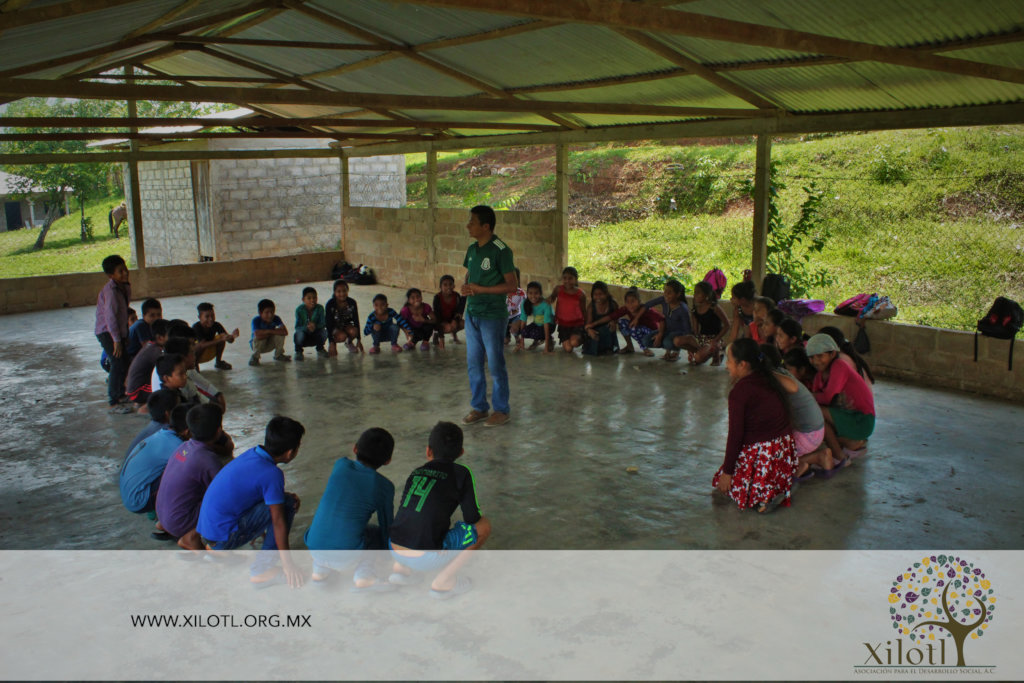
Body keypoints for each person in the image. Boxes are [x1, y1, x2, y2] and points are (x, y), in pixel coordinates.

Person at [197, 417, 306, 589]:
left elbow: (250, 492)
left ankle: (215, 550)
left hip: (210, 532)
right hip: (224, 536)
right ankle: (262, 570)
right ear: (290, 452)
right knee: (287, 504)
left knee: (282, 499)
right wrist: (288, 564)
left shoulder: (253, 454)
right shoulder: (272, 473)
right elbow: (278, 522)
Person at [388, 421, 491, 599]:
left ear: (428, 451)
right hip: (426, 558)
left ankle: (400, 569)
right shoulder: (461, 473)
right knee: (484, 527)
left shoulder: (416, 472)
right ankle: (444, 582)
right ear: (461, 452)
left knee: (413, 517)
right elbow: (472, 518)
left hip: (393, 547)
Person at [304, 428, 396, 591]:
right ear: (388, 461)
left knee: (330, 526)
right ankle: (364, 576)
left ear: (355, 448)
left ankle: (320, 572)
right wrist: (389, 556)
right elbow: (387, 527)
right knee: (374, 534)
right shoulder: (384, 487)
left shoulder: (340, 465)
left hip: (313, 546)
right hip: (346, 556)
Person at [711, 338, 798, 512]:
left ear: (742, 364)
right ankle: (777, 486)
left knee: (726, 487)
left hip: (766, 451)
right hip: (784, 450)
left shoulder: (740, 392)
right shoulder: (767, 377)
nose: (726, 365)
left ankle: (764, 499)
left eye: (729, 360)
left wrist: (728, 472)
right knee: (728, 479)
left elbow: (735, 436)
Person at [461, 205, 517, 427]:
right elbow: (469, 274)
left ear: (486, 226)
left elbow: (512, 286)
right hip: (472, 313)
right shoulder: (472, 250)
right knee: (473, 363)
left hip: (492, 316)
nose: (468, 225)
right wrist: (466, 286)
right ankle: (479, 407)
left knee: (495, 364)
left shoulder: (501, 250)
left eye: (472, 222)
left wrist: (481, 289)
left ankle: (501, 410)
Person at [155, 403, 231, 551]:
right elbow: (225, 495)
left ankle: (171, 525)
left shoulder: (183, 447)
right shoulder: (207, 459)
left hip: (163, 515)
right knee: (227, 503)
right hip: (179, 521)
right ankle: (192, 537)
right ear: (219, 430)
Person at [119, 404, 190, 539]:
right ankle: (170, 522)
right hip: (138, 499)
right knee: (188, 476)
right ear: (187, 431)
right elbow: (193, 465)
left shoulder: (163, 433)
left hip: (129, 493)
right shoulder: (178, 446)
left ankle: (161, 514)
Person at [806, 333, 876, 467]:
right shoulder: (819, 376)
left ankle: (839, 456)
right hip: (849, 417)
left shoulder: (840, 366)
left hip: (862, 420)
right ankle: (849, 446)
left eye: (820, 356)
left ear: (832, 354)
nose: (815, 361)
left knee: (817, 413)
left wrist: (808, 395)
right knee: (816, 417)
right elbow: (818, 398)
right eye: (811, 357)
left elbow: (826, 398)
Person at [761, 345, 829, 481]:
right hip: (817, 431)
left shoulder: (775, 379)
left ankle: (806, 462)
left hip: (807, 435)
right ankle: (813, 457)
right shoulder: (783, 373)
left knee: (768, 460)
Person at [95, 254, 133, 413]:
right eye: (120, 271)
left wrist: (124, 335)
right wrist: (117, 340)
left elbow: (123, 313)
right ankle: (113, 402)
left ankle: (120, 394)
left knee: (124, 361)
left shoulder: (124, 286)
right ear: (111, 275)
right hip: (107, 332)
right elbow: (110, 317)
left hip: (118, 331)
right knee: (117, 363)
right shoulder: (110, 291)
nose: (125, 273)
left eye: (125, 269)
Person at [587, 287, 664, 357]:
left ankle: (645, 349)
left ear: (639, 302)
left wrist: (660, 334)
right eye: (627, 302)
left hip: (652, 334)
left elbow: (662, 319)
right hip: (638, 330)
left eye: (633, 301)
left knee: (634, 328)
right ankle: (629, 346)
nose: (630, 305)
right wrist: (593, 324)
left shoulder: (647, 310)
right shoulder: (626, 309)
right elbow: (610, 316)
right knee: (622, 322)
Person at [642, 279, 701, 362]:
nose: (666, 294)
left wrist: (688, 348)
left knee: (667, 342)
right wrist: (659, 333)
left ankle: (676, 351)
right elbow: (647, 305)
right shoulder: (663, 300)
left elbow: (687, 330)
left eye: (669, 292)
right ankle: (668, 351)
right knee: (646, 340)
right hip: (667, 331)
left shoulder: (682, 308)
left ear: (678, 294)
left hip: (679, 333)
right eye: (665, 291)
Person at [125, 318, 169, 410]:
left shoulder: (150, 345)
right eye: (170, 335)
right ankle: (144, 408)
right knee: (170, 385)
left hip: (134, 388)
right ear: (160, 338)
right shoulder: (156, 351)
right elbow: (167, 368)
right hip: (138, 391)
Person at [548, 266, 587, 353]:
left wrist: (587, 326)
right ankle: (569, 338)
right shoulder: (558, 289)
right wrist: (537, 300)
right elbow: (551, 299)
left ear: (576, 279)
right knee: (568, 349)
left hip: (577, 324)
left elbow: (584, 311)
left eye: (570, 278)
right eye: (565, 278)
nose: (567, 281)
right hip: (563, 325)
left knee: (574, 342)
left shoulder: (581, 294)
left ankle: (583, 338)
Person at [691, 280, 730, 365]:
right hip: (702, 338)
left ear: (707, 295)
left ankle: (717, 352)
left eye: (698, 293)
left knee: (698, 358)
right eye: (695, 292)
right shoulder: (695, 310)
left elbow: (727, 325)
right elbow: (695, 330)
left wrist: (716, 340)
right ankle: (702, 352)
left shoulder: (714, 308)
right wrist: (691, 347)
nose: (695, 295)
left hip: (714, 338)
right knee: (678, 340)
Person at [192, 303, 239, 370]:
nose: (211, 319)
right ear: (199, 317)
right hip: (193, 356)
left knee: (220, 337)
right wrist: (221, 339)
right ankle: (194, 366)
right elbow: (202, 345)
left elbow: (228, 340)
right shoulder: (196, 327)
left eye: (213, 315)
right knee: (199, 345)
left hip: (208, 353)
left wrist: (232, 336)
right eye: (207, 316)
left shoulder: (216, 325)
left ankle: (218, 362)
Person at [512, 280, 554, 353]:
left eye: (536, 293)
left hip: (549, 325)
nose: (533, 296)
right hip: (537, 323)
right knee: (523, 331)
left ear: (540, 293)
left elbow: (546, 324)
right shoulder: (525, 303)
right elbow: (523, 320)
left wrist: (546, 348)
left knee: (535, 333)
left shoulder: (546, 304)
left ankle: (549, 339)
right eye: (530, 293)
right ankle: (537, 340)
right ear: (527, 293)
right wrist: (522, 342)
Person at [325, 279, 362, 355]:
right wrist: (331, 342)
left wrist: (359, 340)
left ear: (347, 291)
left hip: (346, 324)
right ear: (334, 292)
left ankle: (348, 342)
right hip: (334, 327)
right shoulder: (330, 304)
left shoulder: (352, 303)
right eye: (339, 291)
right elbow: (328, 324)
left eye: (344, 291)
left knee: (354, 331)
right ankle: (334, 344)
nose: (342, 294)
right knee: (342, 336)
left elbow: (356, 320)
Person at [250, 299, 290, 366]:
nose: (270, 315)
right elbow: (257, 335)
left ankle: (278, 355)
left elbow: (285, 332)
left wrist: (268, 332)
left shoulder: (276, 318)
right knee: (258, 338)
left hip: (269, 343)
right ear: (260, 313)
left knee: (280, 335)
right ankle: (255, 357)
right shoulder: (256, 320)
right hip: (257, 346)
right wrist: (273, 331)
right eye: (267, 312)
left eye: (272, 312)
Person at [582, 281, 618, 356]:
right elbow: (587, 325)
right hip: (596, 332)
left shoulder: (612, 304)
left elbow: (616, 317)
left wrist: (613, 321)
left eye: (600, 294)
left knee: (609, 327)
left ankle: (609, 348)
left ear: (606, 294)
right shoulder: (591, 307)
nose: (598, 297)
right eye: (595, 294)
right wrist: (589, 330)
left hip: (608, 331)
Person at [293, 287, 327, 359]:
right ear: (303, 300)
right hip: (304, 334)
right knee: (298, 334)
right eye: (309, 298)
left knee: (324, 332)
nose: (312, 300)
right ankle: (298, 351)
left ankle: (320, 349)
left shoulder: (320, 308)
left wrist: (315, 326)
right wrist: (307, 327)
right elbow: (297, 327)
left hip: (316, 333)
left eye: (314, 298)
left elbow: (323, 323)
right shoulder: (299, 310)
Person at [432, 274, 465, 349]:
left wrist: (455, 320)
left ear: (454, 286)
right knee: (449, 327)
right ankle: (436, 334)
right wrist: (441, 338)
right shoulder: (437, 298)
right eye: (445, 285)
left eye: (450, 284)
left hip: (451, 319)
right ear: (440, 287)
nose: (448, 287)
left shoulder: (456, 296)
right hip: (441, 321)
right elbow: (437, 317)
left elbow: (459, 312)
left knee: (464, 324)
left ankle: (454, 335)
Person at [726, 280, 757, 345]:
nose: (731, 299)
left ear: (743, 300)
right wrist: (728, 346)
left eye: (733, 298)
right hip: (747, 337)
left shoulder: (758, 307)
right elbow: (734, 331)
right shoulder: (738, 310)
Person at [505, 268, 526, 344]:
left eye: (514, 278)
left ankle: (516, 335)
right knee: (505, 341)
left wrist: (520, 321)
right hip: (504, 318)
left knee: (516, 330)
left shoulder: (520, 293)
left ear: (518, 279)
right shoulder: (501, 291)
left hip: (516, 316)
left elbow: (526, 308)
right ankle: (507, 336)